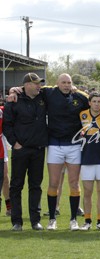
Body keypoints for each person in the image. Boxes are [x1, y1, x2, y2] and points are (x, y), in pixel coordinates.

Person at [9, 73, 90, 230]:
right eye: (63, 82)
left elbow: (97, 104)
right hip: (54, 145)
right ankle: (52, 219)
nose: (66, 85)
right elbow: (26, 89)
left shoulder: (79, 96)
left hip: (74, 145)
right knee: (53, 183)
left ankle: (73, 219)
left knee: (73, 183)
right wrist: (13, 90)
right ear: (57, 84)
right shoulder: (48, 92)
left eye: (69, 82)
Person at [3, 72, 47, 231]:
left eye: (39, 83)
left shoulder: (44, 97)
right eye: (35, 83)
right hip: (20, 150)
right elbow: (7, 125)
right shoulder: (13, 101)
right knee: (16, 185)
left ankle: (35, 220)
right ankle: (17, 221)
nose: (39, 86)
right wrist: (15, 143)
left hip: (38, 149)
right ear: (26, 85)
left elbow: (61, 90)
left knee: (36, 185)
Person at [78, 92, 100, 231]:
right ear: (89, 103)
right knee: (87, 192)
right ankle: (87, 221)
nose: (97, 104)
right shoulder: (82, 114)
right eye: (94, 101)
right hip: (86, 159)